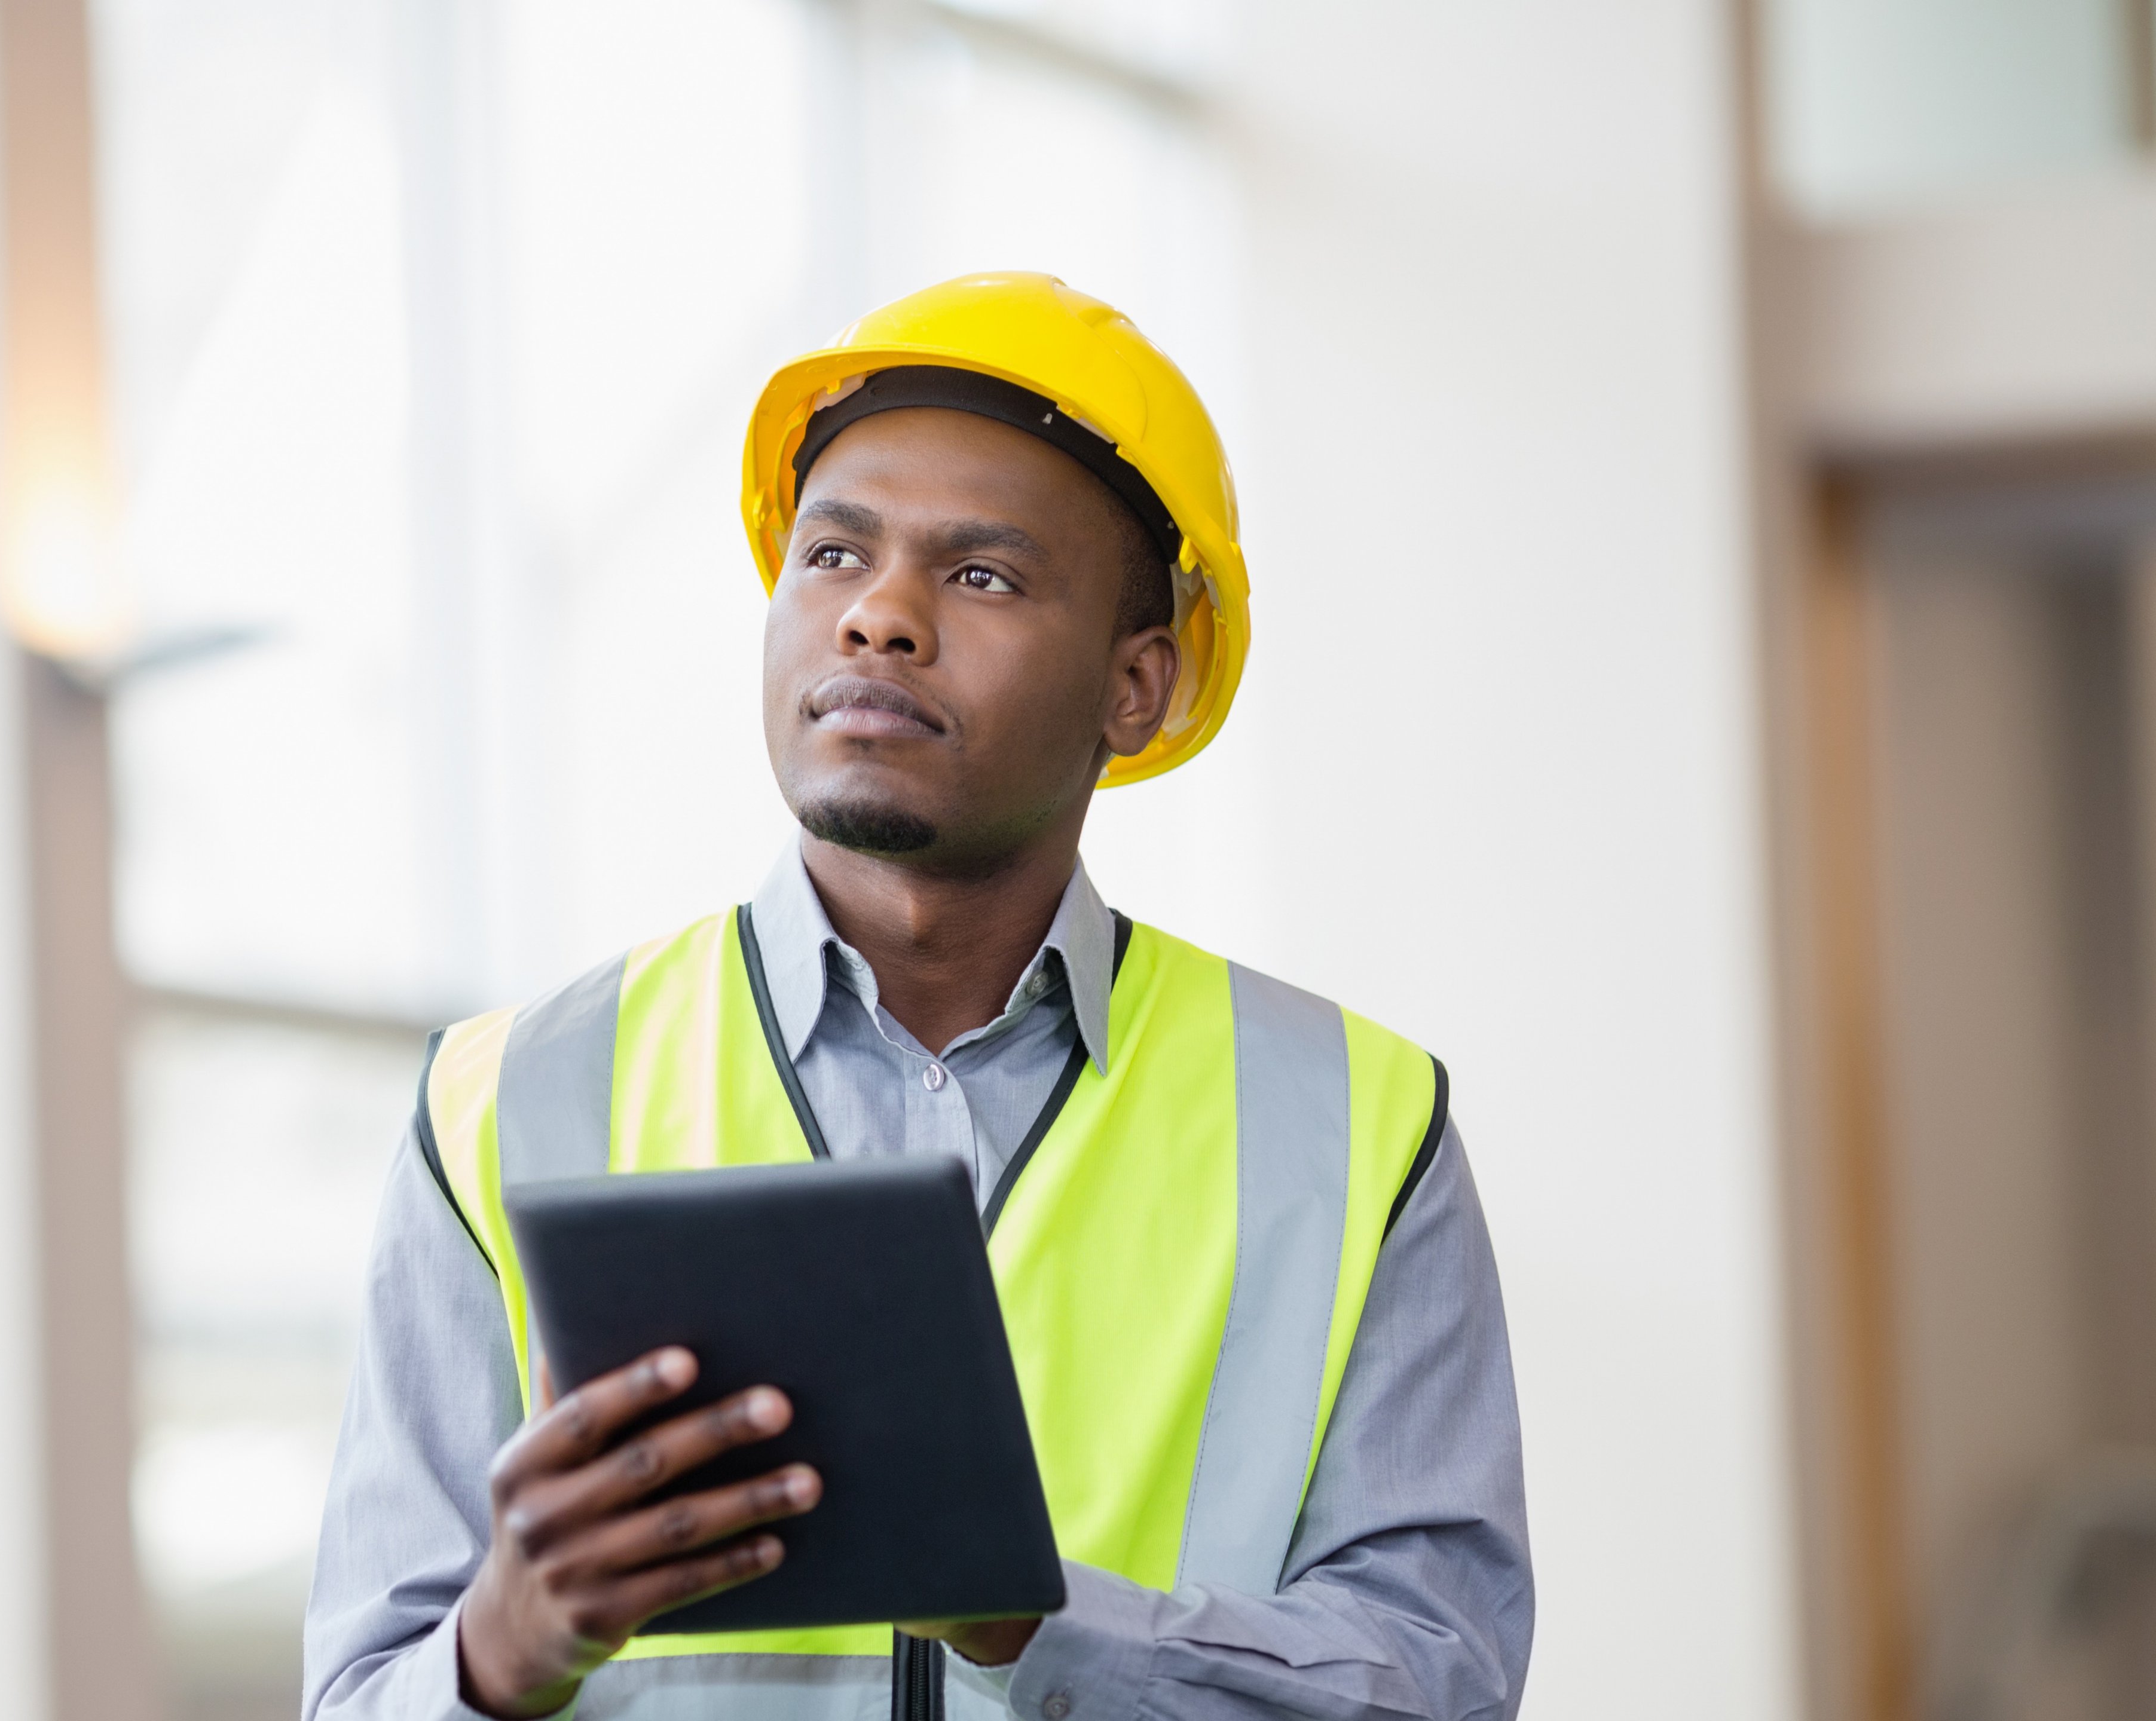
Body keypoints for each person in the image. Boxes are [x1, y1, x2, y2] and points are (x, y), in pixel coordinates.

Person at [303, 272, 1531, 1721]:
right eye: (831, 555)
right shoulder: (501, 1101)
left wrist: (1043, 1622)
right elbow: (362, 1693)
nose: (880, 618)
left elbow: (1439, 1683)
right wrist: (497, 1652)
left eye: (982, 575)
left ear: (1133, 688)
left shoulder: (1356, 1125)